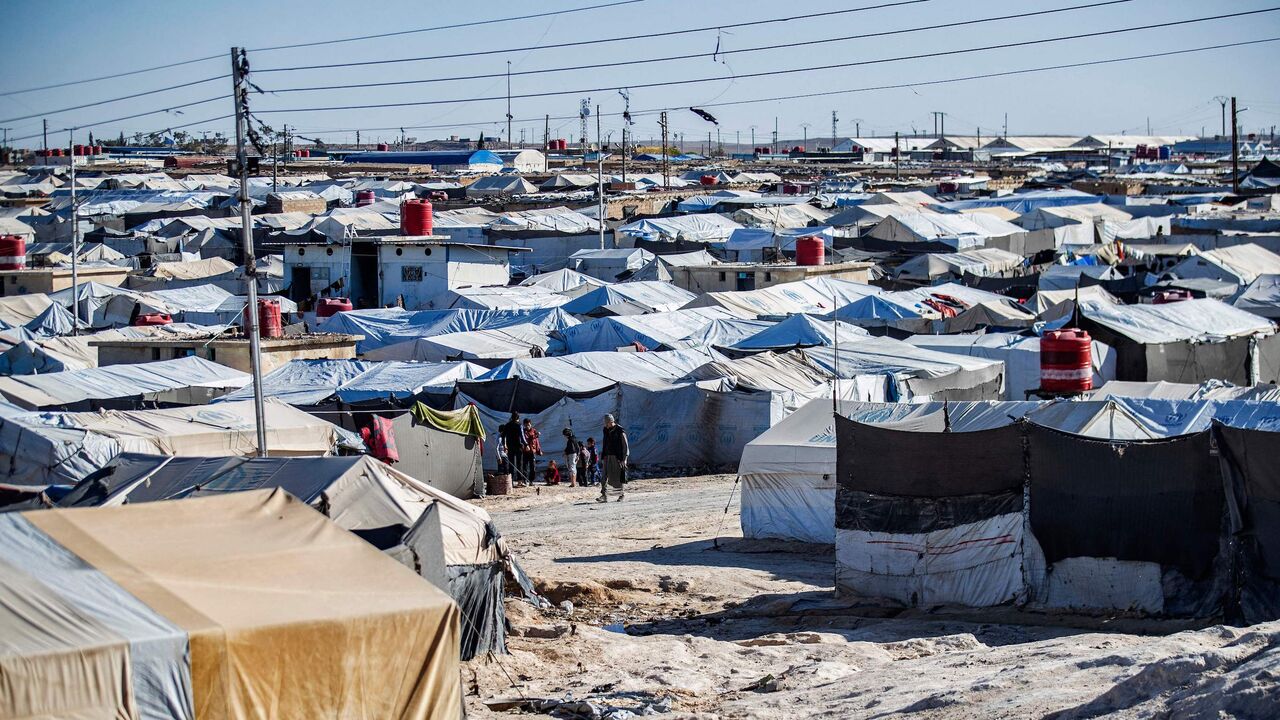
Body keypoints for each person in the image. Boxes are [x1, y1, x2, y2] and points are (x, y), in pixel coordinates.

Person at [598, 414, 629, 503]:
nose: (605, 425)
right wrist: (603, 455)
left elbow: (625, 445)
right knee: (604, 476)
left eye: (606, 423)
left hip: (617, 457)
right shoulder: (605, 430)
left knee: (618, 477)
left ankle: (621, 495)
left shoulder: (620, 430)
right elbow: (605, 442)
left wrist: (624, 458)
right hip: (607, 456)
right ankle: (604, 495)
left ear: (611, 422)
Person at [499, 413, 527, 486]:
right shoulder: (519, 425)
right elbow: (522, 436)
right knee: (519, 464)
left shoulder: (507, 425)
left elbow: (503, 435)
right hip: (518, 446)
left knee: (511, 464)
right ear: (518, 418)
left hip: (510, 446)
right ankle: (519, 481)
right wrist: (526, 444)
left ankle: (510, 481)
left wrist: (504, 445)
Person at [521, 418, 542, 486]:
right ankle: (524, 480)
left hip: (532, 451)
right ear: (524, 425)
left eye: (529, 425)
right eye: (526, 425)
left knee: (532, 467)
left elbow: (536, 442)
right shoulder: (523, 432)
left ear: (531, 424)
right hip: (525, 451)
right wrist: (534, 435)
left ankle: (531, 481)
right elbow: (526, 438)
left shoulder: (534, 431)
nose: (527, 426)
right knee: (525, 466)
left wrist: (539, 450)